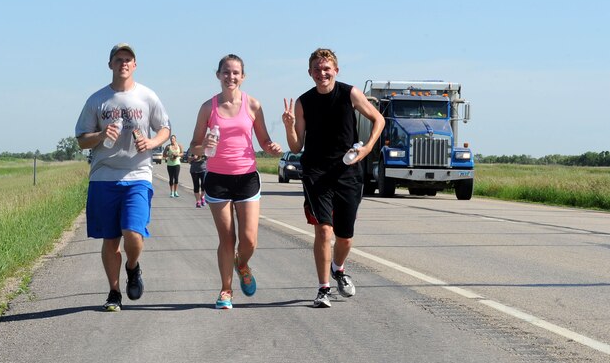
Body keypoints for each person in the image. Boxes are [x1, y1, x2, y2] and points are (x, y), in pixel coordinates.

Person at [282, 48, 384, 309]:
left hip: (348, 171)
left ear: (336, 71)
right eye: (317, 69)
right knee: (323, 229)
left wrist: (367, 148)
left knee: (345, 236)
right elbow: (295, 147)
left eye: (326, 68)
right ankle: (323, 288)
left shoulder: (350, 93)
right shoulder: (304, 102)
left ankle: (338, 269)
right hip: (316, 173)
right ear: (310, 73)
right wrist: (288, 125)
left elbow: (378, 120)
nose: (322, 73)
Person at [75, 42, 171, 312]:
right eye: (119, 60)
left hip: (138, 174)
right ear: (110, 65)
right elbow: (82, 139)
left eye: (128, 59)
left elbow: (164, 127)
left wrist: (152, 144)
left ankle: (133, 266)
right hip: (104, 176)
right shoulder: (97, 100)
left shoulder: (147, 96)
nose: (124, 64)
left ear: (135, 65)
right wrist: (102, 135)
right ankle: (114, 292)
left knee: (133, 232)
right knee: (110, 239)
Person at [189, 54, 283, 309]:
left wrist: (271, 147)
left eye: (236, 73)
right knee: (227, 239)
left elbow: (263, 140)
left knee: (249, 240)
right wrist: (203, 145)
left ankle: (242, 264)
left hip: (247, 177)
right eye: (226, 72)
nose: (231, 77)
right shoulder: (208, 107)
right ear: (218, 75)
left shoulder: (252, 105)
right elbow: (193, 148)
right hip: (218, 179)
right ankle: (225, 291)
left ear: (243, 76)